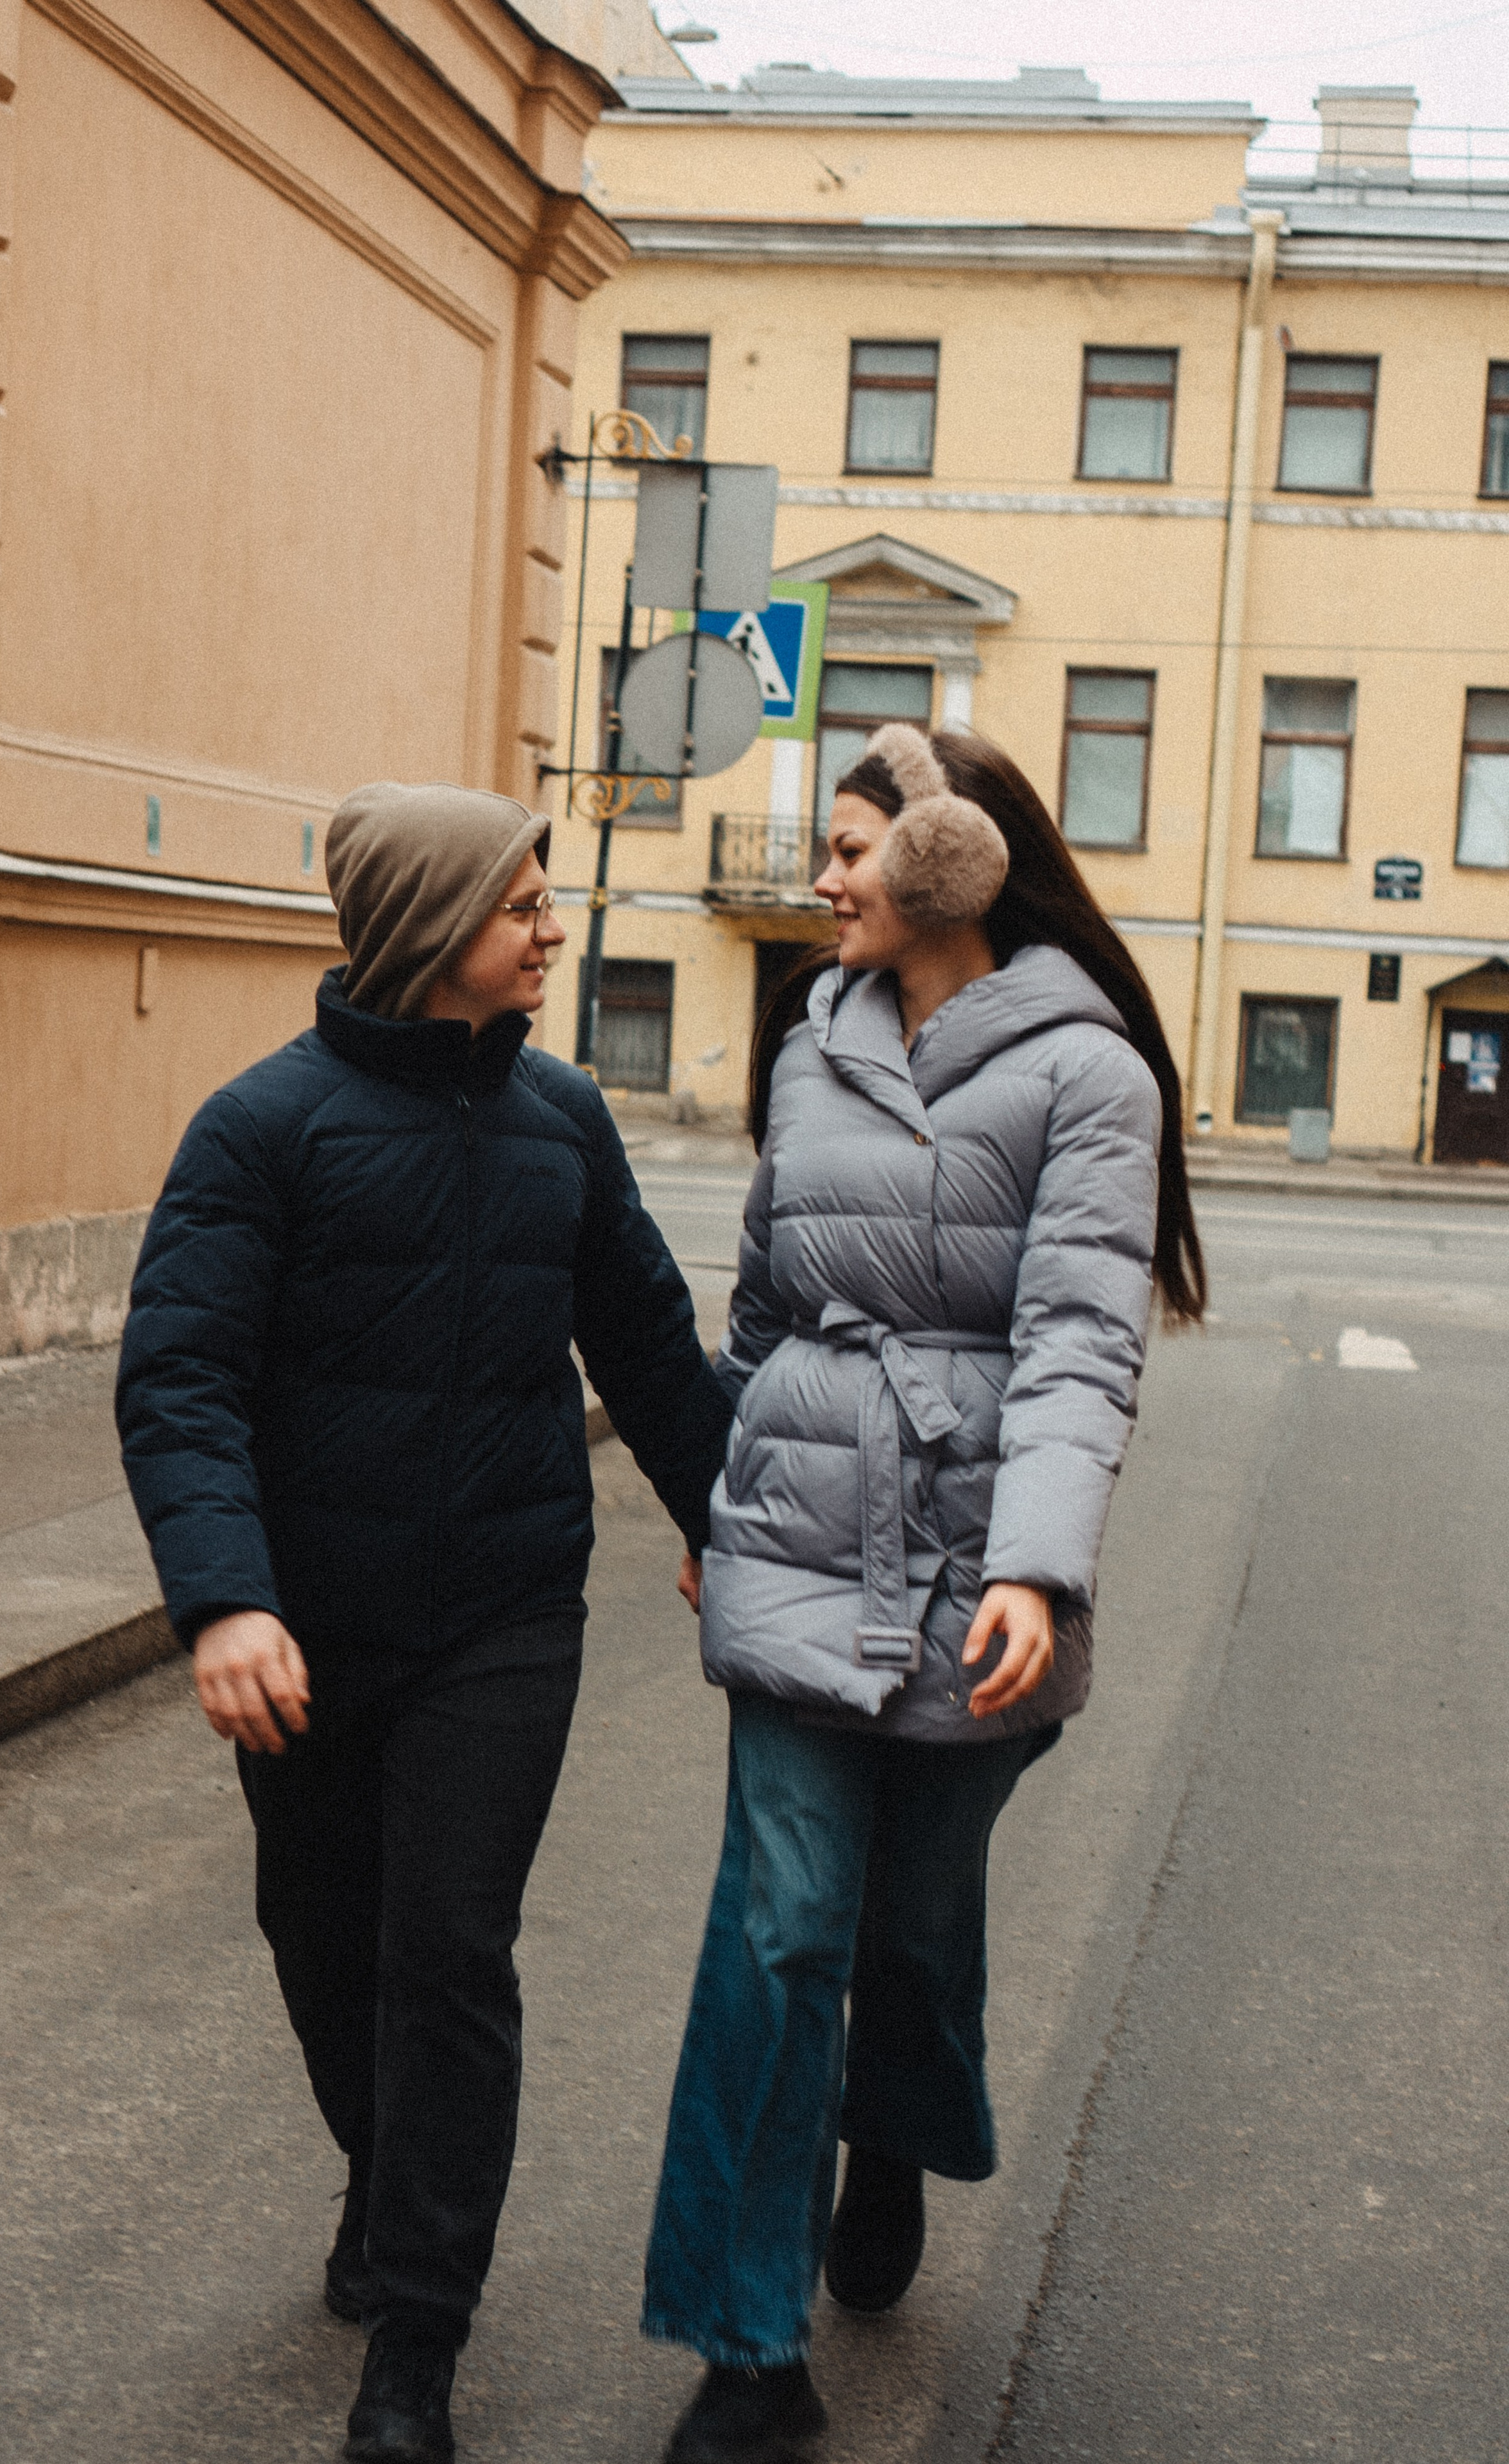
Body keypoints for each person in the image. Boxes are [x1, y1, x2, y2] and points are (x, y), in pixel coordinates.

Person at [116, 781, 731, 2464]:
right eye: (523, 905)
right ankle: (383, 2176)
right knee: (320, 1933)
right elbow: (182, 1381)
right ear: (427, 927)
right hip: (312, 1628)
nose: (553, 931)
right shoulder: (263, 1131)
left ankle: (418, 2348)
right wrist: (228, 1600)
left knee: (447, 1951)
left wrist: (731, 1524)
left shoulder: (563, 1121)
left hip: (504, 1616)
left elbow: (651, 1347)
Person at [643, 721, 1206, 2463]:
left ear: (953, 859)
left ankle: (885, 2124)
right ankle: (748, 2349)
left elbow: (1079, 1342)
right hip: (801, 1539)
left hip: (978, 1563)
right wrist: (720, 1491)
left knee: (905, 1921)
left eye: (852, 847)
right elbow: (762, 1305)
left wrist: (1037, 1563)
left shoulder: (1088, 1071)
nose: (824, 878)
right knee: (781, 1925)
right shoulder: (810, 1042)